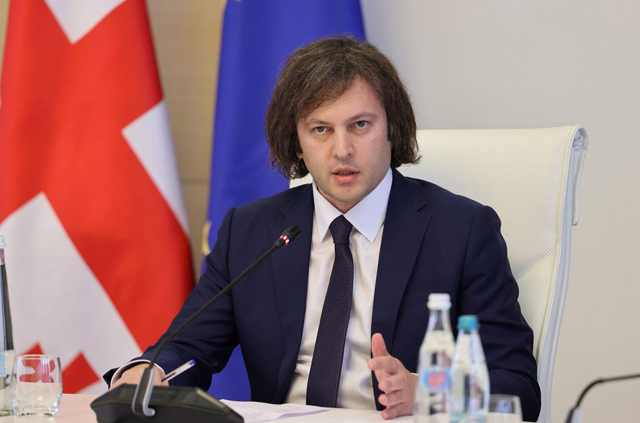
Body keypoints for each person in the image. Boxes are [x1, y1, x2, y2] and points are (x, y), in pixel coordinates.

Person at [106, 36, 541, 421]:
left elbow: (518, 386)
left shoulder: (461, 231)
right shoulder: (251, 232)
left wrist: (428, 393)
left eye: (360, 125)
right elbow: (189, 348)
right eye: (320, 129)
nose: (342, 149)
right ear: (297, 142)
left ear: (392, 130)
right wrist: (148, 372)